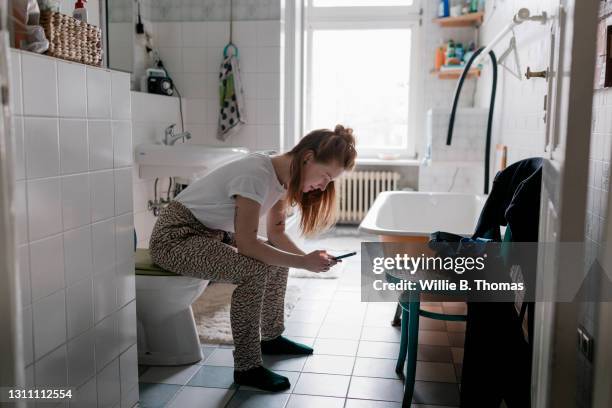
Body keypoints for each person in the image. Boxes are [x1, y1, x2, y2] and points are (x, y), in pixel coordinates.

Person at [149, 124, 357, 391]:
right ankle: (247, 367)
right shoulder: (255, 174)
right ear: (307, 158)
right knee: (255, 270)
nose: (323, 186)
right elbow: (247, 245)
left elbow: (277, 233)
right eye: (326, 176)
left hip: (212, 232)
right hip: (175, 237)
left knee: (276, 256)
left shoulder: (282, 176)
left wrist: (308, 258)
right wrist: (304, 262)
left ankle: (270, 337)